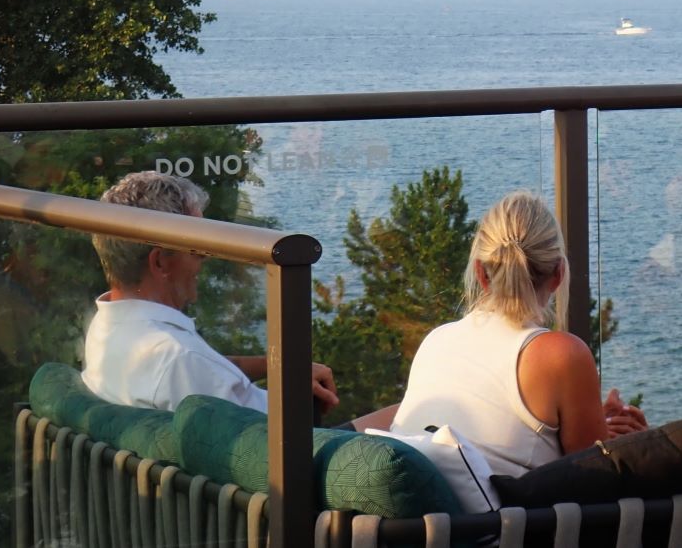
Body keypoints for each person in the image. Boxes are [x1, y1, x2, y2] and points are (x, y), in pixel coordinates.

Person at [391, 190, 647, 477]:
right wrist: (636, 446)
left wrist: (595, 423)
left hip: (433, 504)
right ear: (559, 274)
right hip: (510, 508)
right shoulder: (560, 355)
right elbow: (596, 481)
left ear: (481, 273)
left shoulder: (436, 341)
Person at [82, 171, 339, 415]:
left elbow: (205, 370)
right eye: (197, 247)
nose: (206, 256)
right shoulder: (179, 358)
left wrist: (280, 366)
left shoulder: (107, 330)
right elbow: (279, 437)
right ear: (160, 262)